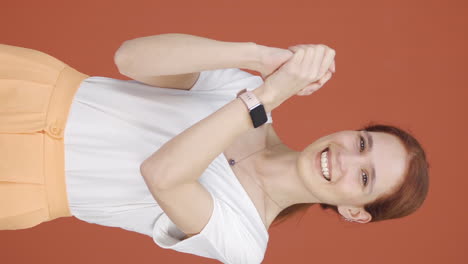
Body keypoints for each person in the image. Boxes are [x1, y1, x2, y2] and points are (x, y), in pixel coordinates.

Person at [0, 34, 429, 264]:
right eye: (361, 143)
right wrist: (258, 58)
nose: (345, 158)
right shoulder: (241, 88)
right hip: (31, 88)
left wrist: (269, 95)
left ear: (356, 211)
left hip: (22, 185)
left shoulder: (244, 241)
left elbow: (164, 174)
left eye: (365, 177)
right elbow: (130, 58)